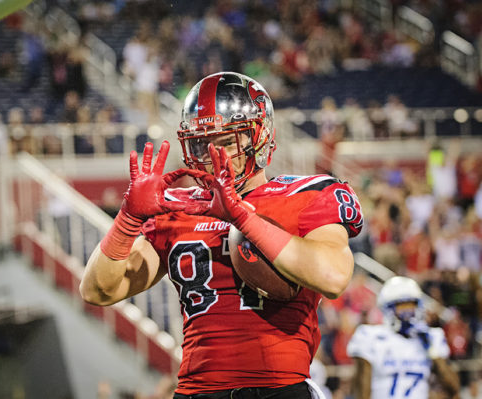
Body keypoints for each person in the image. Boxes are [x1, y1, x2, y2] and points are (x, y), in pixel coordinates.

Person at [81, 72, 363, 398]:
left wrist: (243, 217)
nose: (214, 155)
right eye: (202, 143)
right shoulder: (180, 208)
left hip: (279, 389)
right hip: (196, 391)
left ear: (260, 136)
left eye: (227, 141)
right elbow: (97, 290)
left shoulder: (307, 194)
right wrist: (127, 219)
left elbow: (332, 277)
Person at [347, 276, 460, 399]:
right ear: (388, 308)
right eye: (402, 306)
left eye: (411, 305)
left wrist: (432, 351)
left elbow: (453, 388)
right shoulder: (371, 336)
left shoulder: (431, 337)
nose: (408, 312)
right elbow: (362, 386)